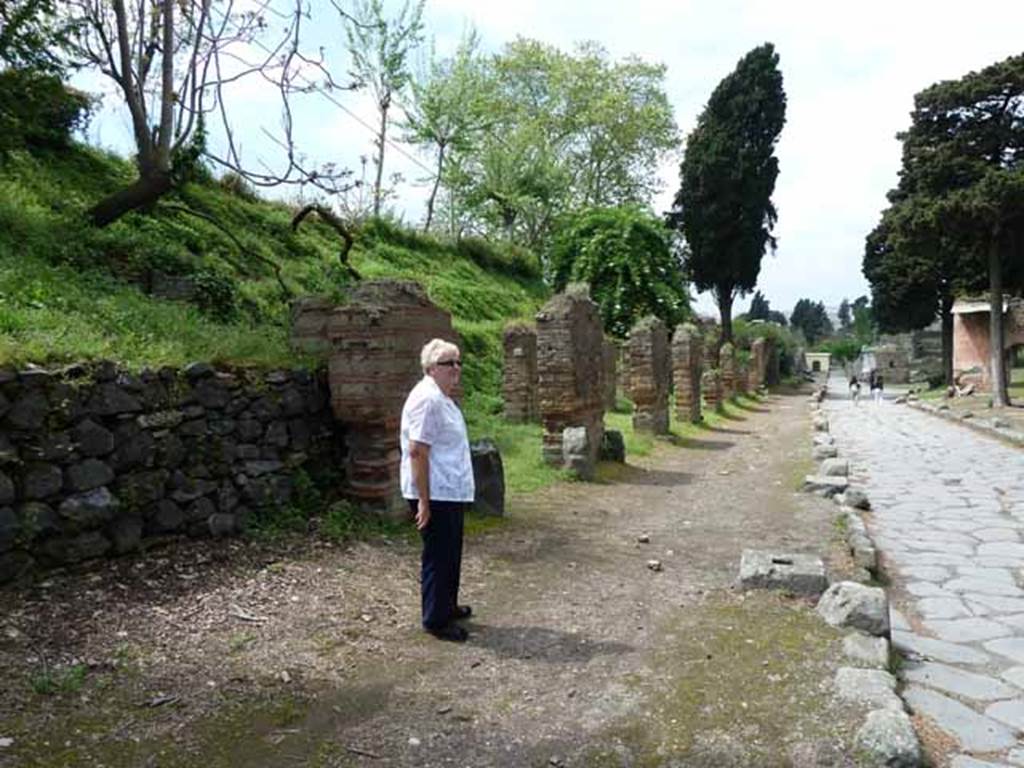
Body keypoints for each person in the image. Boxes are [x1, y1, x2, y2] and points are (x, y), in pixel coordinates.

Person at [400, 338, 475, 643]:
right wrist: (424, 502)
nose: (455, 368)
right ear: (431, 368)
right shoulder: (428, 399)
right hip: (435, 493)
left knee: (450, 551)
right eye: (448, 363)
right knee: (438, 555)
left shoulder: (442, 397)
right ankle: (435, 619)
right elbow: (418, 450)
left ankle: (447, 604)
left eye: (458, 362)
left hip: (449, 490)